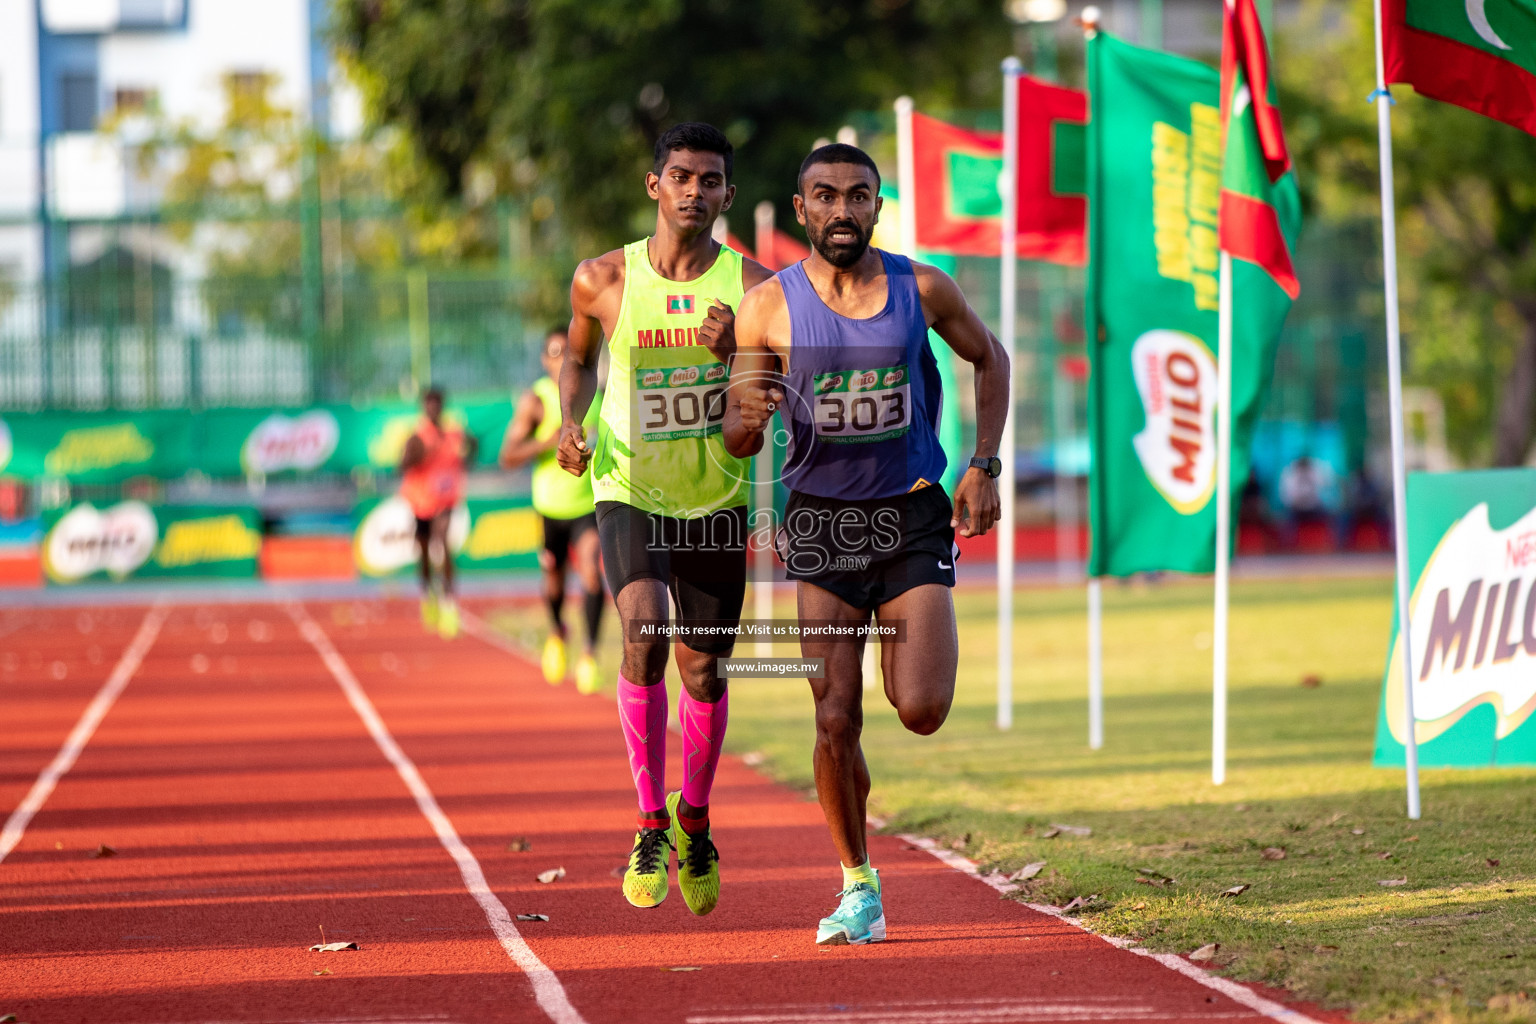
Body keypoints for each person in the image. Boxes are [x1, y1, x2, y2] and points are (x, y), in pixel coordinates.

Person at [725, 144, 1009, 946]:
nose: (842, 210)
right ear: (802, 207)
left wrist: (984, 463)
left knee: (919, 708)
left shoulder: (920, 287)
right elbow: (741, 431)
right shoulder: (767, 309)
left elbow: (991, 358)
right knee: (833, 715)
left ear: (877, 207)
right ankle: (858, 884)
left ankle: (891, 689)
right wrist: (744, 421)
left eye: (858, 196)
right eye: (826, 197)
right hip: (818, 523)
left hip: (910, 515)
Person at [557, 122, 774, 915]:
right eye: (680, 176)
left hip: (716, 495)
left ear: (727, 195)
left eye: (709, 179)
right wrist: (568, 421)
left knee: (704, 670)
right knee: (643, 632)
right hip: (629, 488)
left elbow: (777, 386)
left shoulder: (756, 287)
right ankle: (650, 821)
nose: (694, 190)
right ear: (655, 186)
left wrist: (736, 359)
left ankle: (696, 818)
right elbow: (577, 359)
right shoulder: (602, 278)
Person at [500, 328, 607, 693]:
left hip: (588, 505)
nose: (560, 360)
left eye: (567, 352)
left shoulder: (595, 395)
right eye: (553, 353)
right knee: (555, 580)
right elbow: (508, 456)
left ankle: (590, 653)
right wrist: (546, 442)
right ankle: (557, 633)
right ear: (544, 360)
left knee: (592, 574)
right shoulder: (537, 401)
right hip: (550, 509)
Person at [400, 386, 478, 639]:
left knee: (443, 542)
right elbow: (401, 465)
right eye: (429, 404)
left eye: (437, 404)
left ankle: (448, 601)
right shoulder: (417, 436)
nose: (433, 409)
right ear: (424, 407)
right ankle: (426, 592)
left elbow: (471, 450)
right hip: (420, 501)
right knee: (423, 549)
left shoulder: (453, 433)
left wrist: (472, 446)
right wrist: (421, 454)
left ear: (442, 406)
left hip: (445, 499)